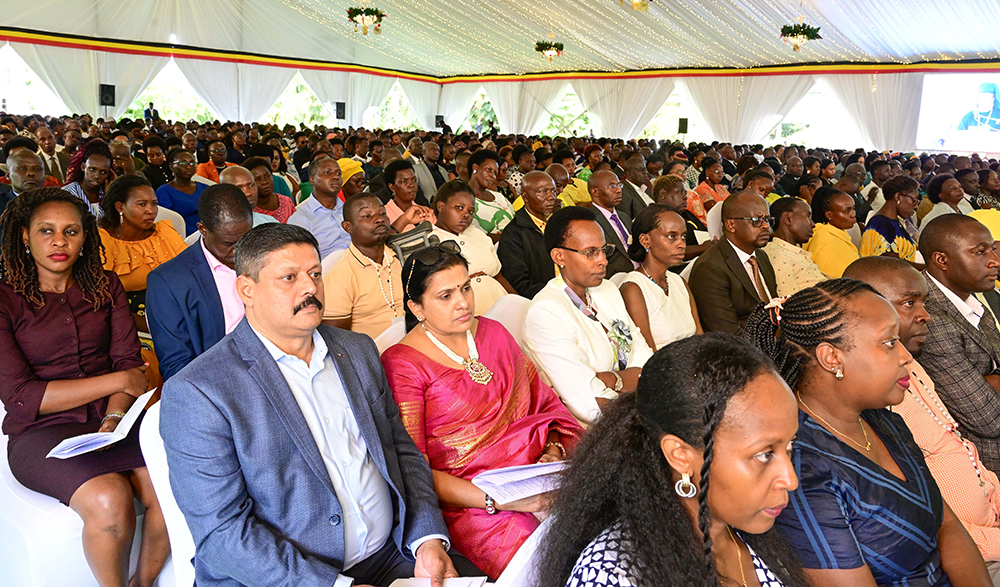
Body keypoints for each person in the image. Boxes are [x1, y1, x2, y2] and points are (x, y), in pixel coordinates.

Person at [160, 223, 482, 587]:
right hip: (294, 578)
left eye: (315, 273)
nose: (310, 287)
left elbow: (402, 452)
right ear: (246, 289)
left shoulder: (357, 350)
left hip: (392, 555)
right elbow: (222, 535)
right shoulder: (200, 391)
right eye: (289, 277)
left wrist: (427, 539)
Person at [745, 279, 993, 587]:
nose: (906, 357)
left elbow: (947, 525)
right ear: (831, 358)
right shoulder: (799, 470)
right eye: (889, 343)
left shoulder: (884, 422)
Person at [539, 333, 805, 587]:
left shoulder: (743, 532)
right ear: (680, 455)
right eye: (764, 454)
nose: (790, 480)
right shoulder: (616, 574)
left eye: (790, 445)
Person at [381, 243, 582, 578]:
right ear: (416, 307)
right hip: (474, 503)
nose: (462, 302)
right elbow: (415, 469)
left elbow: (544, 403)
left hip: (538, 472)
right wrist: (499, 501)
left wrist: (553, 449)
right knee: (554, 565)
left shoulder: (494, 332)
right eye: (445, 296)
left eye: (465, 287)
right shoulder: (403, 365)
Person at [0, 188, 168, 587]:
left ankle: (142, 584)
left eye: (71, 231)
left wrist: (113, 417)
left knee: (174, 487)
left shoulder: (106, 287)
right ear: (25, 236)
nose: (59, 242)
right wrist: (116, 381)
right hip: (42, 434)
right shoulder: (5, 300)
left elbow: (131, 365)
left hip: (117, 419)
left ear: (84, 237)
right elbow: (24, 396)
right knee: (111, 499)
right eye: (46, 231)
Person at [845, 256, 1000, 578]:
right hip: (971, 552)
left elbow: (957, 447)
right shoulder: (872, 396)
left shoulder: (911, 364)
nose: (925, 315)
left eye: (925, 302)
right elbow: (928, 524)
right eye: (909, 303)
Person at [522, 207, 652, 424]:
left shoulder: (607, 290)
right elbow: (589, 404)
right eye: (590, 252)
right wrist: (639, 400)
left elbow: (645, 357)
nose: (603, 260)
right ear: (559, 256)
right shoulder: (546, 312)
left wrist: (612, 380)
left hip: (639, 407)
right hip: (595, 430)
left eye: (603, 250)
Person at [146, 185, 255, 382]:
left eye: (246, 239)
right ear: (202, 230)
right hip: (220, 380)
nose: (239, 250)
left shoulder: (265, 258)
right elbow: (176, 365)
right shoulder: (169, 282)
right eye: (229, 243)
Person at [918, 214, 1000, 474]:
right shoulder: (930, 319)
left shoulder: (972, 300)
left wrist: (990, 379)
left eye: (992, 250)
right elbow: (988, 420)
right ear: (942, 260)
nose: (994, 261)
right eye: (980, 252)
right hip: (986, 465)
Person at [98, 175, 186, 334]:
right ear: (120, 207)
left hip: (178, 309)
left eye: (154, 204)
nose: (151, 210)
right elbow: (101, 297)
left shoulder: (164, 233)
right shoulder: (103, 241)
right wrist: (156, 327)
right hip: (128, 319)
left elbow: (190, 274)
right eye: (142, 204)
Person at [689, 192, 777, 333]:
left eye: (767, 219)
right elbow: (728, 334)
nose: (766, 226)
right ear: (731, 225)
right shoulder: (709, 269)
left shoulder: (760, 256)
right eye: (756, 220)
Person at [321, 193, 404, 340]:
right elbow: (339, 343)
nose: (379, 219)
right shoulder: (338, 278)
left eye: (382, 213)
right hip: (374, 356)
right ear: (348, 227)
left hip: (415, 344)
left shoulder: (400, 259)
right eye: (367, 216)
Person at [619, 205, 701, 350]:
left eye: (683, 236)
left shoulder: (679, 281)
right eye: (671, 236)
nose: (681, 244)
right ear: (645, 240)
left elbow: (699, 336)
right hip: (663, 369)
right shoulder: (633, 288)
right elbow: (647, 352)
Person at [431, 180, 513, 313]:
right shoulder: (431, 240)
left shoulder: (478, 234)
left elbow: (498, 276)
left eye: (470, 211)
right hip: (464, 309)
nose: (466, 215)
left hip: (500, 300)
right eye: (459, 207)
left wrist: (517, 300)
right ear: (441, 207)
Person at [497, 171, 559, 299]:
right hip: (546, 300)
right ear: (525, 197)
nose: (551, 197)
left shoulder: (559, 223)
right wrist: (558, 296)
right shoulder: (513, 234)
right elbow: (520, 283)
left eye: (553, 191)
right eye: (543, 191)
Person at [287, 155, 352, 259]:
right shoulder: (300, 219)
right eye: (327, 172)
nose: (336, 177)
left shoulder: (350, 210)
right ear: (312, 179)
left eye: (338, 173)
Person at [762, 197, 827, 296]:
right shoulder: (778, 257)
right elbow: (790, 305)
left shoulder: (795, 252)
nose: (813, 224)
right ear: (787, 219)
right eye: (808, 217)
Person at [860, 175, 920, 261]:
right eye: (914, 200)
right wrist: (927, 268)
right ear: (898, 197)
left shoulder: (897, 220)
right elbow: (894, 264)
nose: (916, 206)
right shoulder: (881, 226)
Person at [802, 186, 859, 278]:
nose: (853, 214)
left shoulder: (836, 232)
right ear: (829, 215)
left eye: (853, 209)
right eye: (847, 211)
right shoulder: (823, 239)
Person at [588, 169, 635, 278]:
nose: (618, 190)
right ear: (595, 192)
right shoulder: (590, 222)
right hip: (615, 279)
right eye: (612, 186)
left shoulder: (623, 216)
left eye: (619, 185)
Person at [155, 150, 207, 236]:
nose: (188, 167)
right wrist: (199, 234)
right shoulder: (164, 191)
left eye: (192, 163)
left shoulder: (204, 187)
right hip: (183, 236)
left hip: (210, 232)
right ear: (172, 166)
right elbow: (171, 221)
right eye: (183, 163)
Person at [465, 149, 514, 239]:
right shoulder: (463, 199)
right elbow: (470, 236)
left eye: (495, 173)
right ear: (475, 168)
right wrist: (505, 238)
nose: (492, 176)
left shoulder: (499, 196)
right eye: (489, 170)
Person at [63, 140, 114, 218]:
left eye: (103, 172)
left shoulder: (105, 193)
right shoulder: (68, 193)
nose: (97, 176)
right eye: (92, 169)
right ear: (83, 167)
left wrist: (111, 192)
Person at [384, 159, 436, 232]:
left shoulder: (426, 212)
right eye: (404, 182)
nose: (411, 185)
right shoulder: (384, 215)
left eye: (414, 180)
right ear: (392, 187)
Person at [244, 157, 295, 223]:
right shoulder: (249, 211)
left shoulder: (286, 201)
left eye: (267, 176)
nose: (264, 182)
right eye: (257, 179)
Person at [0, 148, 44, 219]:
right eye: (22, 169)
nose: (31, 173)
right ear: (8, 175)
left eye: (36, 169)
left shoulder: (53, 204)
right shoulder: (2, 205)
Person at [618, 152, 653, 222]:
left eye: (645, 169)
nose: (645, 172)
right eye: (641, 170)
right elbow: (626, 221)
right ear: (629, 174)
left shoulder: (645, 188)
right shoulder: (624, 193)